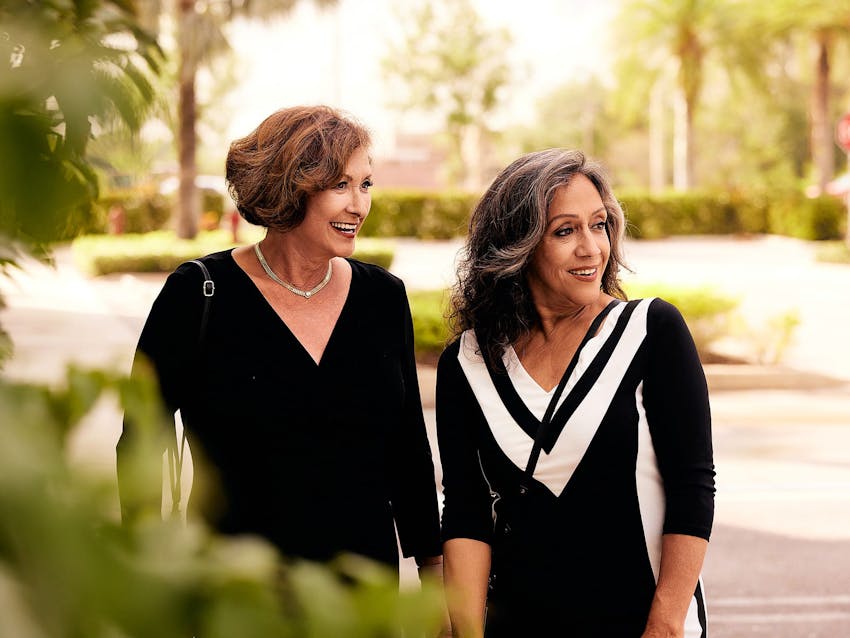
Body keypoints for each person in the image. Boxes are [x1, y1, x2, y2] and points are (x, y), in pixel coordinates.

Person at [117, 105, 443, 582]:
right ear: (291, 185)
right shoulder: (198, 293)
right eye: (340, 185)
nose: (359, 205)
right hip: (238, 598)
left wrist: (433, 569)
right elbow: (141, 444)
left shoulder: (382, 298)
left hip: (361, 601)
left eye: (365, 183)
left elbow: (407, 448)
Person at [436, 149, 715, 637]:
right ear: (517, 245)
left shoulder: (650, 331)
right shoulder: (467, 363)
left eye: (599, 225)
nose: (592, 248)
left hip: (641, 625)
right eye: (565, 231)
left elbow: (693, 488)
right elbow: (466, 514)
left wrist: (666, 625)